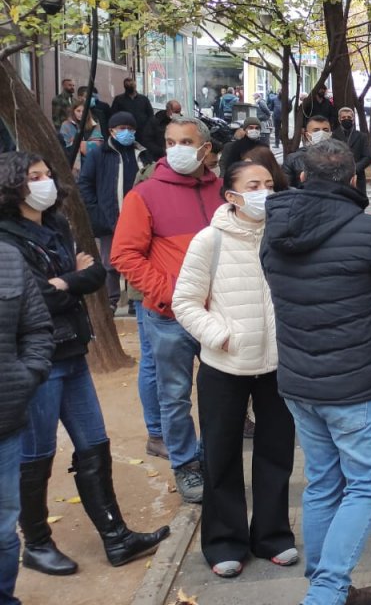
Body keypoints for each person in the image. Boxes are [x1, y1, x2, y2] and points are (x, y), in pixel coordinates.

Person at [260, 139, 371, 605]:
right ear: (355, 180)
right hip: (355, 388)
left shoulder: (275, 229)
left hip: (300, 381)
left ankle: (326, 584)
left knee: (325, 482)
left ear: (303, 177)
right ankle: (326, 593)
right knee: (367, 486)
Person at [0, 152, 169, 576]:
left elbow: (95, 275)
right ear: (12, 186)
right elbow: (34, 296)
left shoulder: (55, 225)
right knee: (36, 454)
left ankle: (117, 537)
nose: (45, 182)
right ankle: (36, 543)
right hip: (36, 361)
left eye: (46, 174)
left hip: (74, 350)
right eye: (33, 177)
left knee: (94, 444)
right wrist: (67, 281)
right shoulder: (7, 238)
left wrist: (66, 282)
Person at [171, 161, 295, 578]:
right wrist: (221, 335)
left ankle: (273, 535)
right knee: (222, 456)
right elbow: (184, 301)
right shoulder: (210, 240)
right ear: (231, 196)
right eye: (253, 185)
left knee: (276, 453)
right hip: (225, 364)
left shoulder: (284, 235)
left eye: (268, 184)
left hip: (278, 364)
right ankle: (224, 541)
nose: (264, 191)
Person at [111, 116, 223, 503]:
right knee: (174, 394)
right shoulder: (144, 195)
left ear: (205, 149)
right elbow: (124, 255)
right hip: (169, 316)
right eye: (171, 141)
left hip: (216, 315)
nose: (177, 149)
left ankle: (212, 458)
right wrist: (172, 295)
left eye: (186, 141)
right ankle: (185, 465)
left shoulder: (224, 192)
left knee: (218, 392)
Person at [0, 241, 53, 605]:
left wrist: (25, 376)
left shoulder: (7, 257)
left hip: (5, 419)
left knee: (4, 529)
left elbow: (36, 327)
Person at [77, 112, 152, 311]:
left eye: (130, 129)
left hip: (139, 218)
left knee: (138, 259)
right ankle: (113, 300)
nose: (126, 132)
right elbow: (85, 184)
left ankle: (135, 301)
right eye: (122, 129)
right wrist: (96, 210)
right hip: (110, 217)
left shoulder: (142, 154)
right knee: (110, 262)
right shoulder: (99, 154)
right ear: (111, 131)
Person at [283, 116, 334, 188]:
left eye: (325, 130)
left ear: (330, 134)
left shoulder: (339, 158)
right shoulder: (293, 160)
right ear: (307, 135)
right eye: (316, 130)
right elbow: (285, 188)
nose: (321, 133)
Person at [335, 107, 371, 193]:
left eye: (349, 117)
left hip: (358, 177)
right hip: (338, 177)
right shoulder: (333, 136)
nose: (346, 119)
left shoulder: (362, 136)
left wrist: (355, 168)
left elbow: (368, 157)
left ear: (353, 119)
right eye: (343, 117)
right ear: (339, 119)